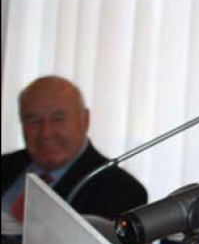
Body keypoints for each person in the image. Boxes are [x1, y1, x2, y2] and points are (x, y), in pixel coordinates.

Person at [1, 76, 147, 221]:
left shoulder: (121, 190)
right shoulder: (5, 165)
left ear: (85, 120)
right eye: (33, 120)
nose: (46, 133)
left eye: (58, 119)